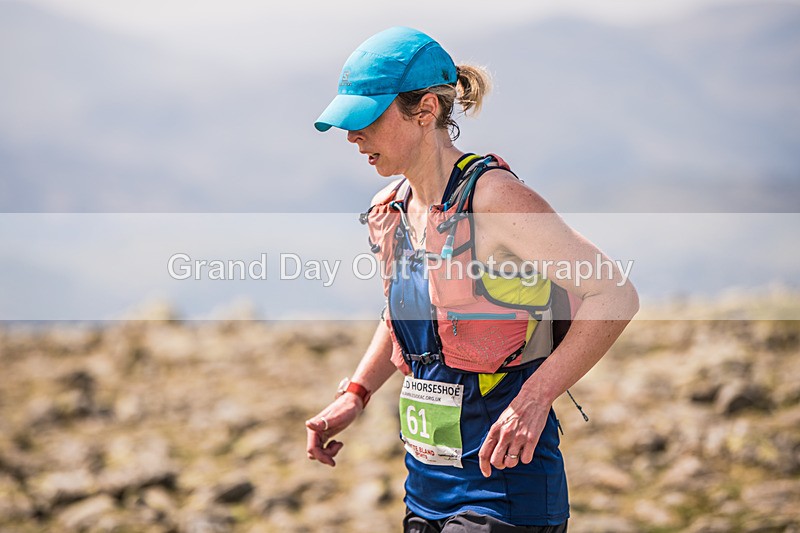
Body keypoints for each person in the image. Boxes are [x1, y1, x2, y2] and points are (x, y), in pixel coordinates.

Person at [306, 26, 639, 532]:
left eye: (367, 119)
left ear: (425, 111)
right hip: (424, 491)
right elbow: (407, 319)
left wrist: (536, 397)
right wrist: (356, 392)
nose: (354, 137)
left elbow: (613, 293)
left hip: (504, 489)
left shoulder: (494, 199)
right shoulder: (390, 210)